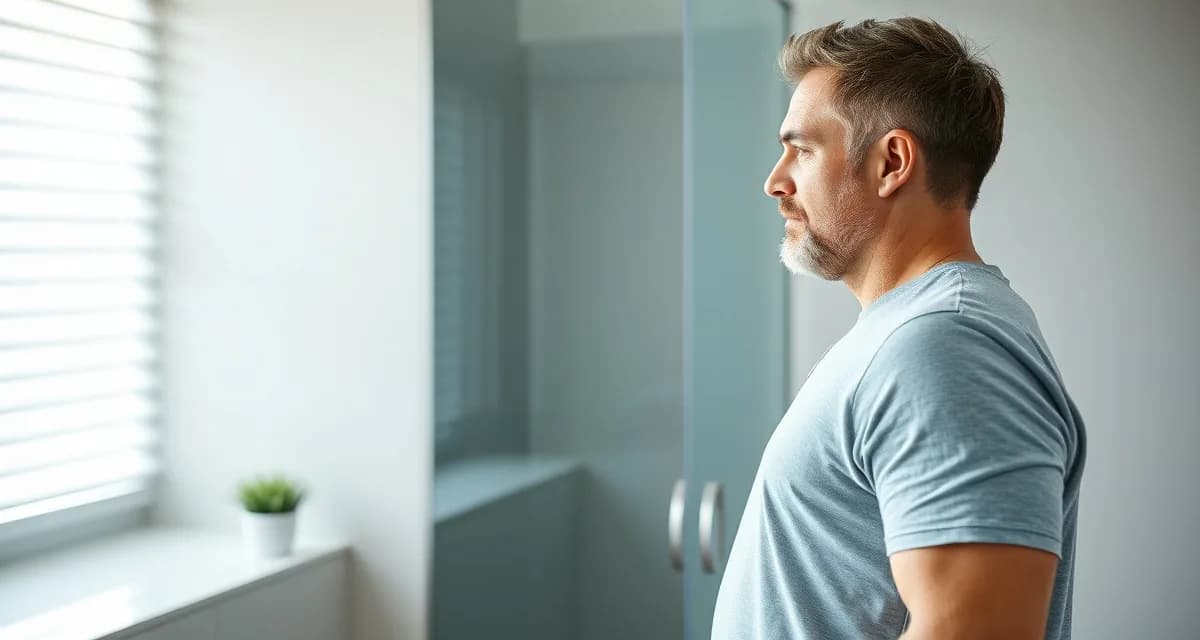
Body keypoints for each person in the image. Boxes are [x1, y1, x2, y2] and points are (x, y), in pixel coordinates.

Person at [711, 17, 1086, 640]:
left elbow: (977, 631)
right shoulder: (915, 334)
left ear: (892, 161)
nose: (775, 182)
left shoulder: (944, 345)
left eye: (802, 150)